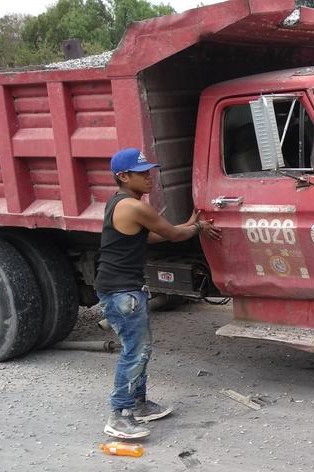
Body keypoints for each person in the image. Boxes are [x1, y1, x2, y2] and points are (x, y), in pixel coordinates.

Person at [95, 148, 222, 439]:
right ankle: (119, 414)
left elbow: (149, 235)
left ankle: (138, 404)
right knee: (135, 350)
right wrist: (198, 227)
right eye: (142, 174)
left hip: (121, 287)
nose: (149, 178)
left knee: (141, 348)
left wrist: (191, 225)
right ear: (123, 177)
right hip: (121, 290)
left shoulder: (120, 203)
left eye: (149, 171)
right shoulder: (134, 206)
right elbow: (173, 236)